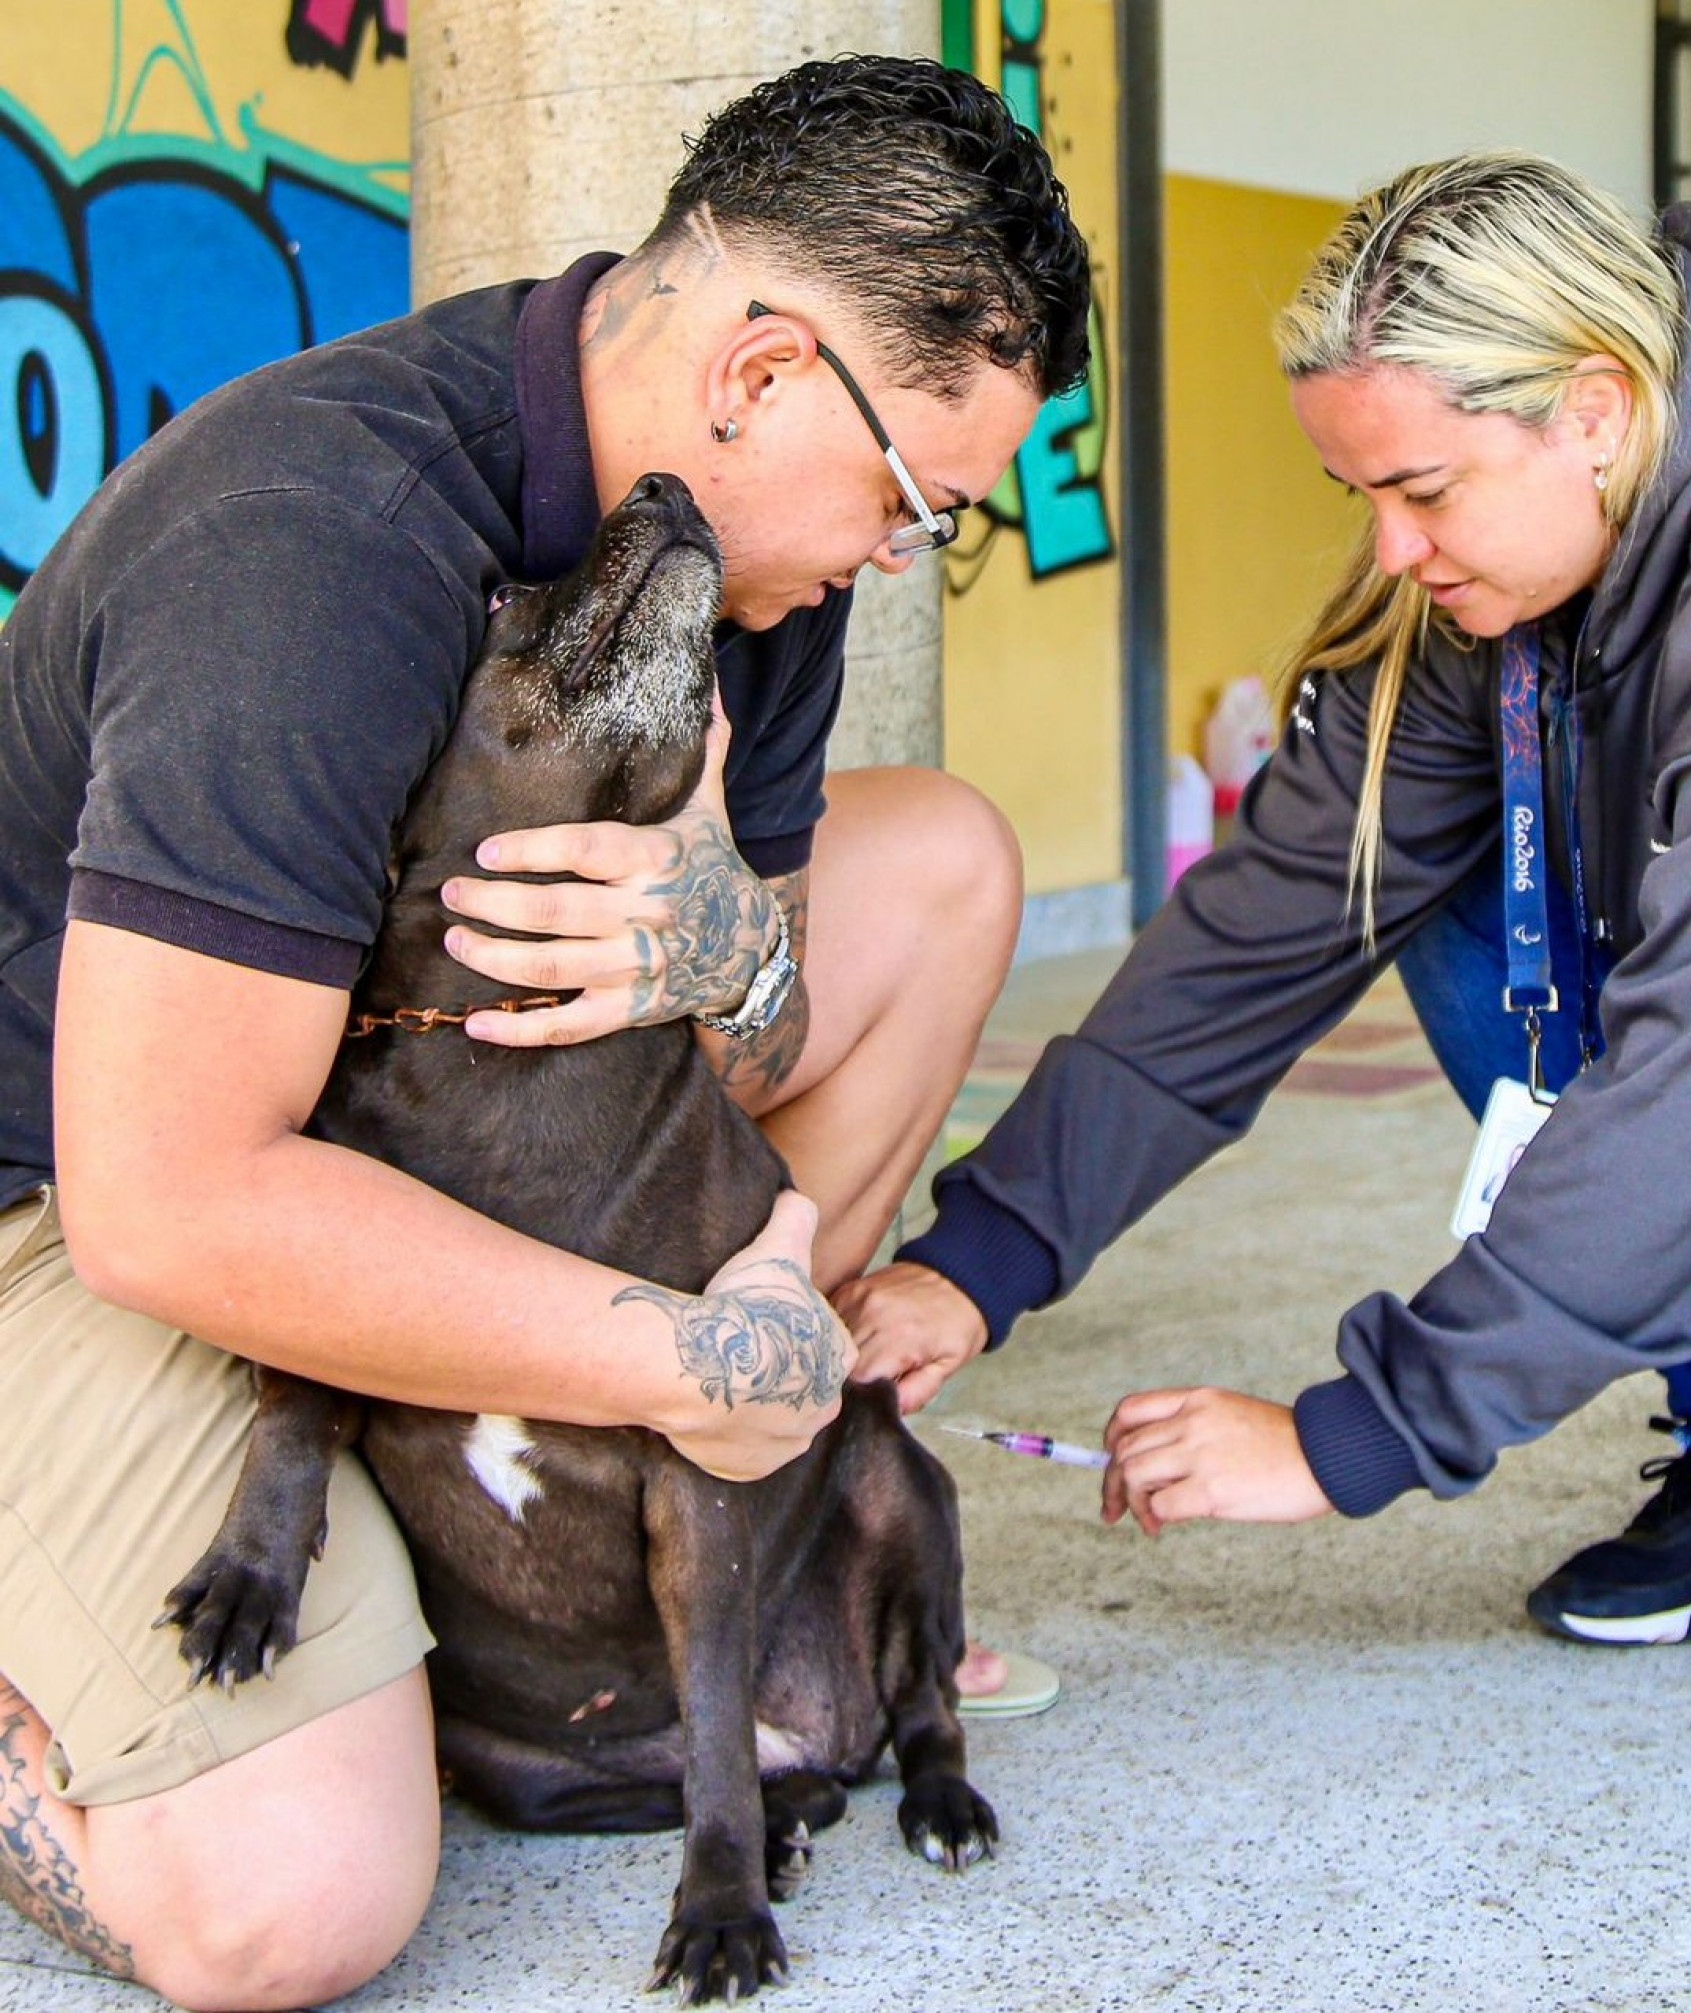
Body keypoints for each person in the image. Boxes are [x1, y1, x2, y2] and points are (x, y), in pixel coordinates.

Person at [0, 53, 1089, 2010]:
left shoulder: (746, 569)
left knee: (943, 866)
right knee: (288, 1896)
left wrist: (728, 957)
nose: (894, 553)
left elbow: (745, 1065)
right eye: (921, 501)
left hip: (425, 1129)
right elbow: (169, 1201)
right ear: (757, 378)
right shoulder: (310, 549)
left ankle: (628, 1496)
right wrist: (690, 1352)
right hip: (69, 1185)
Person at [843, 151, 1691, 1661]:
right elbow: (1272, 927)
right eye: (1364, 496)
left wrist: (1355, 1435)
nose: (1394, 553)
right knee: (1453, 890)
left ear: (1593, 413)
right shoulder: (1527, 546)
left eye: (1421, 492)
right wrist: (979, 1260)